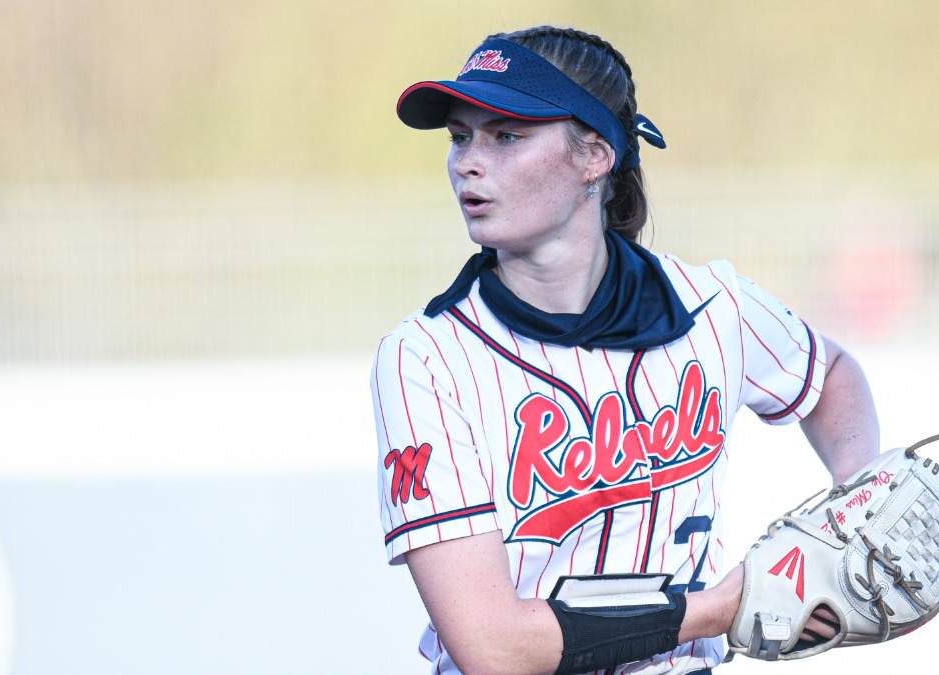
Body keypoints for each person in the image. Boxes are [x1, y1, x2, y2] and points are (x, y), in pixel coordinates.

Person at [372, 25, 880, 675]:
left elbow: (830, 373)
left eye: (506, 135)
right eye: (460, 135)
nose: (469, 160)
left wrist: (858, 498)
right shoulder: (427, 357)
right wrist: (722, 607)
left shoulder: (710, 304)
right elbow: (492, 645)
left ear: (594, 156)